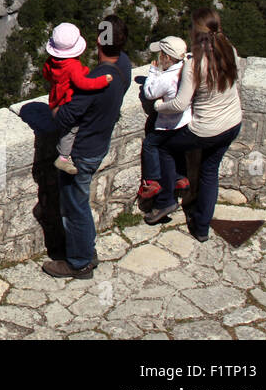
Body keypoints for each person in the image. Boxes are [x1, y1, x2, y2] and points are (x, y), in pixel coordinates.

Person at [44, 14, 130, 280]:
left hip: (81, 152)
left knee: (75, 208)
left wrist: (56, 107)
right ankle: (86, 250)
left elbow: (67, 117)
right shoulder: (124, 65)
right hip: (99, 142)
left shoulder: (98, 81)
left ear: (98, 42)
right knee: (80, 203)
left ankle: (79, 262)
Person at [154, 8, 241, 242]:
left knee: (164, 147)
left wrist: (159, 107)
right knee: (210, 172)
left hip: (207, 130)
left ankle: (167, 200)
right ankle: (201, 227)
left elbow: (180, 104)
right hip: (232, 124)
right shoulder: (230, 51)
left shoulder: (194, 64)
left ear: (196, 32)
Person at [42, 22, 115, 174]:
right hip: (65, 101)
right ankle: (63, 157)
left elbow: (46, 74)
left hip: (55, 98)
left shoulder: (52, 61)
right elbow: (84, 84)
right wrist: (102, 81)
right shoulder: (72, 66)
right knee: (70, 130)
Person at [138, 35, 193, 225]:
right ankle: (180, 178)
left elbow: (150, 92)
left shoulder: (168, 77)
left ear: (168, 58)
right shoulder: (188, 68)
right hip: (184, 123)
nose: (159, 57)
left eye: (161, 54)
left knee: (151, 145)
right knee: (174, 150)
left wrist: (154, 71)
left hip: (168, 124)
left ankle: (153, 183)